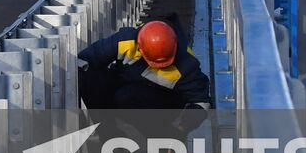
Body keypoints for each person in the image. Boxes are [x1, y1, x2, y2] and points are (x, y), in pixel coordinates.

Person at [78, 15, 211, 110]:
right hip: (126, 84)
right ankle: (108, 133)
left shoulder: (186, 64)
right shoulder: (126, 41)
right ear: (140, 48)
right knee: (92, 80)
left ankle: (158, 138)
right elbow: (86, 59)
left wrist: (181, 127)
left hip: (161, 104)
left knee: (127, 96)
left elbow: (201, 102)